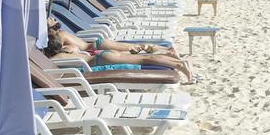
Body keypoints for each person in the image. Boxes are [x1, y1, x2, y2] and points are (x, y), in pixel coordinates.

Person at [45, 19, 195, 82]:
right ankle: (176, 60)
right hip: (96, 50)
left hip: (97, 59)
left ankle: (180, 64)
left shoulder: (56, 57)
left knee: (143, 58)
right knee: (143, 55)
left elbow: (54, 71)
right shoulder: (65, 40)